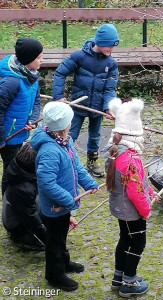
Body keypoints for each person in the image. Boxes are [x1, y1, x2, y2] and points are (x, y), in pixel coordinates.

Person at [30, 101, 99, 291]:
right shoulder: (50, 150)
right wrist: (68, 199)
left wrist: (89, 183)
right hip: (55, 206)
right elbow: (46, 183)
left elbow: (76, 165)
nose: (72, 123)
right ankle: (54, 274)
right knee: (54, 242)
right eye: (70, 120)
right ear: (63, 125)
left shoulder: (65, 141)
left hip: (64, 204)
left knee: (62, 236)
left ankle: (64, 263)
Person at [104, 97, 160, 298]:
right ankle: (129, 281)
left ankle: (118, 277)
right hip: (132, 212)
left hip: (121, 209)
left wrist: (151, 192)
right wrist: (146, 210)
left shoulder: (114, 153)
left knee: (124, 240)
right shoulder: (131, 159)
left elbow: (139, 182)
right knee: (138, 243)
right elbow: (135, 192)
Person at [52, 24, 119, 178]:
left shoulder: (111, 63)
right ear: (100, 42)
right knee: (71, 134)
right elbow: (60, 72)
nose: (111, 49)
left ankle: (92, 161)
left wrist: (108, 107)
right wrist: (58, 97)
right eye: (109, 45)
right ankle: (66, 161)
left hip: (97, 107)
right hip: (78, 104)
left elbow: (110, 88)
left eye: (113, 46)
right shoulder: (79, 56)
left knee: (95, 136)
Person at [0, 37, 43, 195]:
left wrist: (32, 120)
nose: (42, 60)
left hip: (20, 132)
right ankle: (9, 202)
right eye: (39, 57)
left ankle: (15, 198)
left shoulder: (32, 76)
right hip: (8, 137)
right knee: (11, 171)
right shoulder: (12, 82)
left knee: (16, 168)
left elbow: (36, 101)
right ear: (28, 59)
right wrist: (1, 139)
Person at [1, 142, 46, 249]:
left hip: (21, 209)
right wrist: (50, 240)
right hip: (17, 223)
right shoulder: (23, 189)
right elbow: (31, 219)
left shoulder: (17, 166)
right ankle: (24, 237)